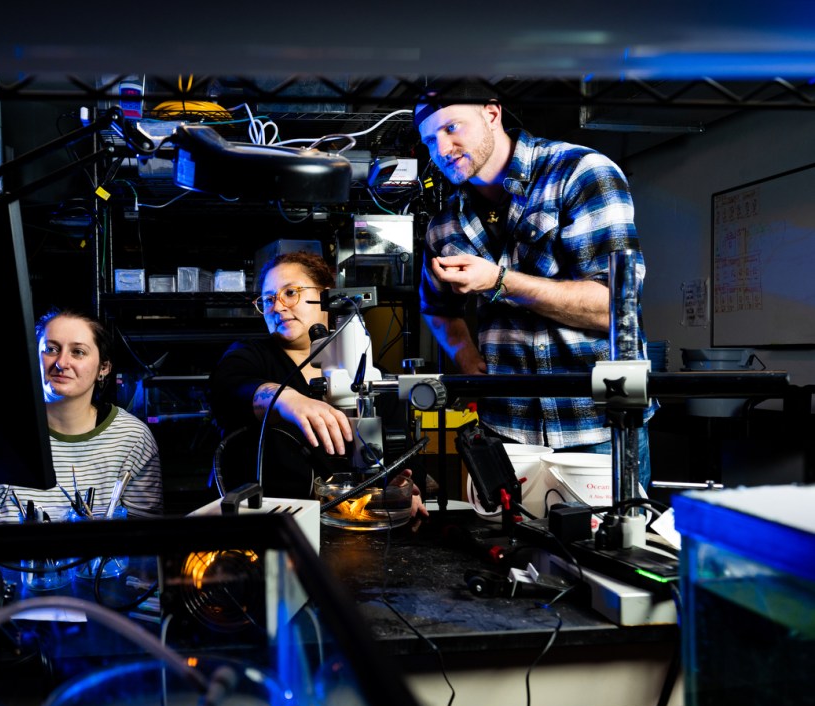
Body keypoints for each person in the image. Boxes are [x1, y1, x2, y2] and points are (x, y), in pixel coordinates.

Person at [414, 82, 654, 484]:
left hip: (599, 420)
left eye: (452, 127)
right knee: (509, 543)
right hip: (505, 425)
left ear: (492, 113)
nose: (441, 149)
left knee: (609, 544)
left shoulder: (580, 172)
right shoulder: (445, 226)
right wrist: (465, 356)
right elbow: (436, 309)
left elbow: (614, 308)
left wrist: (499, 281)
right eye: (429, 140)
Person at [210, 251, 427, 524]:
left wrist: (402, 485)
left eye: (290, 292)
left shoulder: (371, 375)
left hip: (357, 526)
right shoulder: (250, 356)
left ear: (326, 295)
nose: (277, 306)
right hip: (273, 526)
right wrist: (288, 400)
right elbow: (230, 388)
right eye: (268, 299)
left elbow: (407, 458)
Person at [0, 307, 163, 523]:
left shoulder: (132, 438)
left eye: (78, 352)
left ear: (104, 367)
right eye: (51, 349)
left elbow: (145, 542)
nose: (62, 363)